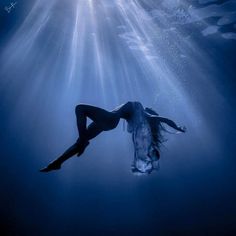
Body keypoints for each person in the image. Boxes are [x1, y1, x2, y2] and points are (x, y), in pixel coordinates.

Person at [40, 101, 186, 174]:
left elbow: (163, 119)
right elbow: (137, 141)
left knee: (80, 109)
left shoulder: (145, 114)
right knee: (80, 140)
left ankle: (83, 142)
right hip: (107, 122)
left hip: (109, 119)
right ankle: (57, 162)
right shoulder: (139, 118)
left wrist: (177, 127)